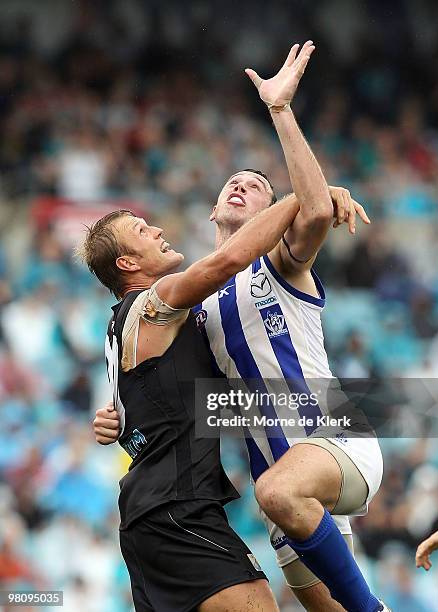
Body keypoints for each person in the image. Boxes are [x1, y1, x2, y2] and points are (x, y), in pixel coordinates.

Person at [94, 42, 389, 612]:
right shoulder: (192, 308)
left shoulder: (279, 262)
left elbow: (317, 213)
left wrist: (281, 113)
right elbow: (170, 387)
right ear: (210, 211)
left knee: (278, 494)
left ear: (274, 211)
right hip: (281, 479)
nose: (239, 184)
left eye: (256, 186)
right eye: (231, 181)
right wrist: (119, 415)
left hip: (332, 437)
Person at [79, 192, 307, 611]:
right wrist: (303, 198)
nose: (158, 230)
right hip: (176, 509)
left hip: (152, 514)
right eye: (142, 232)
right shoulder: (154, 301)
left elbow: (155, 406)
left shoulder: (122, 326)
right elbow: (226, 262)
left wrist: (111, 424)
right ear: (128, 264)